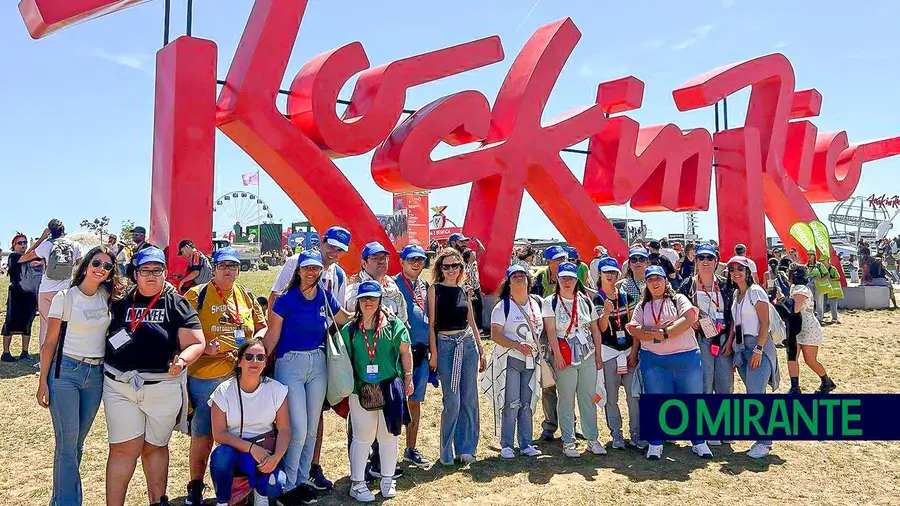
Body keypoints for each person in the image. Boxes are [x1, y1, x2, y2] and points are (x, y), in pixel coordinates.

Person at [103, 246, 206, 506]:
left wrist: (182, 361)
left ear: (165, 273)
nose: (151, 275)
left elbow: (197, 342)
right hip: (121, 387)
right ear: (135, 274)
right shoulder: (119, 302)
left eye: (157, 270)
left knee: (155, 446)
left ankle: (158, 501)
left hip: (162, 386)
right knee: (123, 448)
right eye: (145, 270)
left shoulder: (176, 303)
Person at [265, 250, 352, 503]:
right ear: (298, 271)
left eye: (315, 269)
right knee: (298, 428)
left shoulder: (324, 297)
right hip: (290, 363)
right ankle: (288, 485)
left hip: (318, 364)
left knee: (312, 428)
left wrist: (373, 312)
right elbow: (272, 335)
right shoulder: (285, 300)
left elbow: (343, 319)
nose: (311, 272)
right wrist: (260, 361)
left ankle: (302, 481)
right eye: (307, 268)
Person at [182, 247, 268, 506]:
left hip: (239, 376)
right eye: (223, 266)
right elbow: (182, 329)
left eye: (233, 266)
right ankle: (196, 485)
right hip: (206, 375)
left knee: (240, 434)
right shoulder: (197, 294)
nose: (228, 270)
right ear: (214, 268)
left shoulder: (246, 295)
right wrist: (201, 346)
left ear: (239, 269)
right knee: (204, 433)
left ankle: (236, 488)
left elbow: (261, 325)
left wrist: (255, 347)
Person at [35, 245, 116, 506]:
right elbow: (50, 342)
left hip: (96, 376)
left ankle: (59, 499)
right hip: (66, 373)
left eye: (107, 266)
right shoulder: (65, 297)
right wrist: (42, 382)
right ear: (85, 265)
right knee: (67, 445)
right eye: (96, 263)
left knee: (77, 444)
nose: (101, 269)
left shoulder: (108, 296)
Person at [626, 265, 712, 461]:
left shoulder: (678, 299)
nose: (655, 283)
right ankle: (656, 443)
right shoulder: (643, 305)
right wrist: (654, 331)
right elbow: (633, 328)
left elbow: (689, 317)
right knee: (656, 400)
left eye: (659, 279)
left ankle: (699, 442)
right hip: (654, 363)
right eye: (650, 280)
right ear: (646, 284)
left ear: (666, 281)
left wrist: (666, 332)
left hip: (686, 359)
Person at [342, 281, 413, 502]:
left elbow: (405, 350)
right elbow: (342, 361)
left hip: (389, 387)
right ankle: (357, 483)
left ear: (380, 299)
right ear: (358, 302)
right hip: (360, 389)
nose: (368, 302)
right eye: (364, 299)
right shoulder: (351, 329)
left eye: (373, 298)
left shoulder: (393, 325)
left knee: (389, 435)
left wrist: (408, 378)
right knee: (362, 436)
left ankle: (387, 479)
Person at [209, 339, 290, 506]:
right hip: (235, 450)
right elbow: (219, 434)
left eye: (260, 357)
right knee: (221, 457)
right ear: (239, 362)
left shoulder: (276, 389)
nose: (255, 361)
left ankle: (260, 493)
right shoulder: (223, 391)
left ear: (265, 362)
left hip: (265, 450)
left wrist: (276, 457)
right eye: (249, 357)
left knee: (277, 485)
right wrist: (252, 449)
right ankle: (223, 501)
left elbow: (284, 429)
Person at [428, 248, 486, 465]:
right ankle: (446, 450)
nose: (451, 270)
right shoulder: (435, 290)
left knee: (469, 398)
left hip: (467, 344)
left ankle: (467, 448)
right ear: (440, 268)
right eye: (446, 266)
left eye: (455, 266)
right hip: (445, 346)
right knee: (452, 400)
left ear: (461, 268)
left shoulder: (464, 290)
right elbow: (432, 324)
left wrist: (481, 348)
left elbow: (471, 320)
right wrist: (433, 352)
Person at [542, 262, 606, 458]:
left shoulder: (585, 300)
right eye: (563, 278)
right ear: (557, 279)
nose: (567, 281)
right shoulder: (550, 302)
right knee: (566, 398)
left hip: (586, 354)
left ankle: (592, 439)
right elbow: (551, 330)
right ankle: (568, 441)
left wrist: (598, 355)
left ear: (577, 279)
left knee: (587, 397)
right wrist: (557, 355)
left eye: (570, 277)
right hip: (565, 355)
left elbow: (595, 329)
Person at [677, 244, 735, 445]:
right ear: (695, 260)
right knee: (704, 384)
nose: (705, 262)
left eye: (710, 258)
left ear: (716, 261)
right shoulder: (687, 285)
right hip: (700, 340)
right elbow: (679, 309)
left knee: (724, 384)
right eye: (701, 257)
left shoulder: (726, 284)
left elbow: (733, 314)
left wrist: (730, 339)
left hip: (724, 340)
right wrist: (692, 322)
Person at [727, 255, 780, 459]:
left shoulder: (756, 292)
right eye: (732, 269)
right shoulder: (737, 294)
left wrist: (758, 349)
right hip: (742, 347)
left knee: (755, 395)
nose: (736, 272)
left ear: (748, 271)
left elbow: (765, 323)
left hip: (758, 346)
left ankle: (764, 442)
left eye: (740, 268)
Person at [488, 265, 544, 459]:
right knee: (511, 402)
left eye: (523, 275)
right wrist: (516, 345)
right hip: (510, 359)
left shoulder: (536, 303)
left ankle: (526, 442)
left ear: (529, 280)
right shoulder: (502, 306)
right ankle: (507, 444)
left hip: (531, 361)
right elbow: (495, 334)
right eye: (515, 276)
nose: (520, 279)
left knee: (527, 403)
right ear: (509, 282)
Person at [594, 257, 645, 450]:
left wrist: (634, 352)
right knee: (611, 397)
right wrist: (605, 313)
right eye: (606, 272)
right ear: (600, 274)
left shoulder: (626, 297)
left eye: (613, 272)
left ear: (618, 274)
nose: (610, 275)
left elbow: (634, 326)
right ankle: (616, 435)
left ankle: (636, 435)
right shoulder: (597, 299)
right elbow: (601, 328)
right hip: (609, 353)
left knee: (633, 397)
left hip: (628, 351)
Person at [18, 219, 84, 351]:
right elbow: (80, 265)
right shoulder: (75, 245)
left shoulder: (47, 245)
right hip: (65, 290)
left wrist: (42, 239)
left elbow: (23, 258)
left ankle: (44, 356)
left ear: (49, 231)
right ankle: (60, 355)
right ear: (64, 230)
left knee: (45, 325)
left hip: (46, 290)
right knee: (63, 324)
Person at [394, 245, 432, 467]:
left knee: (415, 401)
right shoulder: (393, 285)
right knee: (394, 403)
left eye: (420, 259)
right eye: (411, 259)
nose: (416, 263)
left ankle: (411, 448)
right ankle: (386, 453)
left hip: (421, 352)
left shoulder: (424, 286)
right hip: (398, 354)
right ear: (401, 261)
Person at [531, 245, 568, 441]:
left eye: (564, 259)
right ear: (549, 262)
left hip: (568, 337)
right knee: (548, 382)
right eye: (557, 260)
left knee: (569, 384)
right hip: (546, 336)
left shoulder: (574, 276)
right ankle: (550, 425)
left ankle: (569, 425)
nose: (561, 263)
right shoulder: (539, 279)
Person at [788, 264, 837, 394]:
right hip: (796, 327)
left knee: (810, 360)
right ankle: (794, 387)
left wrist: (782, 301)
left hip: (807, 327)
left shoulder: (801, 289)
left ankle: (827, 382)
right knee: (792, 357)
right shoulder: (794, 287)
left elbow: (795, 309)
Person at [346, 242, 408, 325]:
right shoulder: (354, 290)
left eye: (384, 258)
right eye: (375, 258)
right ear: (364, 264)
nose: (381, 261)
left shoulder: (391, 285)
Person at [2, 233, 39, 361]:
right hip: (17, 294)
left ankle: (25, 352)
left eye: (24, 242)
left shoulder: (26, 258)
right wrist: (42, 239)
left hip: (29, 294)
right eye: (20, 243)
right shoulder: (13, 257)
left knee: (28, 322)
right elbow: (31, 254)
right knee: (11, 322)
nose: (23, 245)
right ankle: (6, 353)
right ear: (14, 245)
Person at [462, 248, 486, 334]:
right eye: (472, 254)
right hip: (468, 291)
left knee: (479, 307)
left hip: (477, 288)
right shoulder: (463, 266)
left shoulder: (475, 263)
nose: (474, 255)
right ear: (468, 257)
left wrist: (476, 240)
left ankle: (479, 327)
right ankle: (469, 328)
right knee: (469, 309)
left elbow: (482, 250)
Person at [810, 258, 840, 323]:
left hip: (829, 287)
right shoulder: (815, 265)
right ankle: (820, 317)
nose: (822, 261)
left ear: (827, 260)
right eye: (821, 260)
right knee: (821, 302)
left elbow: (837, 277)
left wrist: (824, 279)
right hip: (822, 286)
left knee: (832, 302)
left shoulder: (832, 268)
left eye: (823, 260)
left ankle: (835, 318)